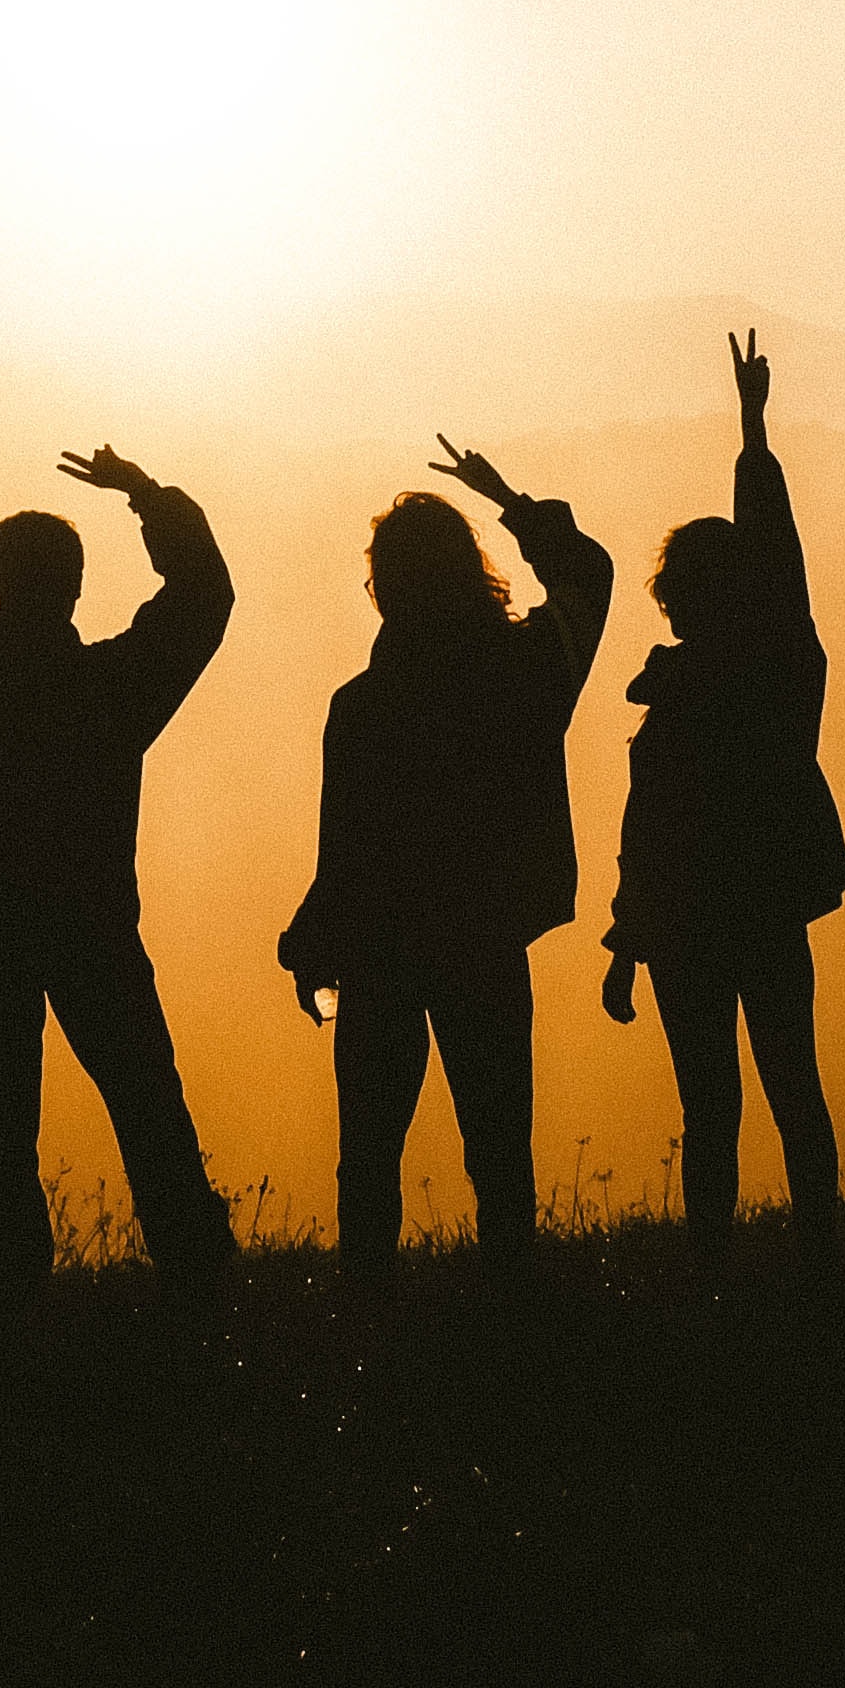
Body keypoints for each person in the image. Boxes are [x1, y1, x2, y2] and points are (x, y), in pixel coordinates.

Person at [0, 444, 240, 1302]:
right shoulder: (108, 687)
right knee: (144, 1095)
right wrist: (145, 495)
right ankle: (193, 1259)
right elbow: (205, 597)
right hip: (93, 925)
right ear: (76, 584)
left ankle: (15, 1273)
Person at [277, 438, 612, 1286]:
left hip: (381, 953)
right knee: (499, 1144)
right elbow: (590, 574)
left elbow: (343, 849)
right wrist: (508, 498)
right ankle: (510, 1317)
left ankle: (366, 1315)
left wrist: (311, 948)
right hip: (486, 938)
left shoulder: (360, 707)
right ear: (472, 571)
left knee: (369, 1156)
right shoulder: (530, 670)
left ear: (383, 589)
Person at [600, 330, 845, 1270]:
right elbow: (780, 560)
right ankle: (815, 1261)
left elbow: (647, 837)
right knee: (792, 1085)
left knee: (711, 1105)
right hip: (763, 909)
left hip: (685, 927)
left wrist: (630, 940)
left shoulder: (690, 695)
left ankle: (716, 1275)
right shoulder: (783, 669)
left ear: (671, 600)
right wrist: (751, 432)